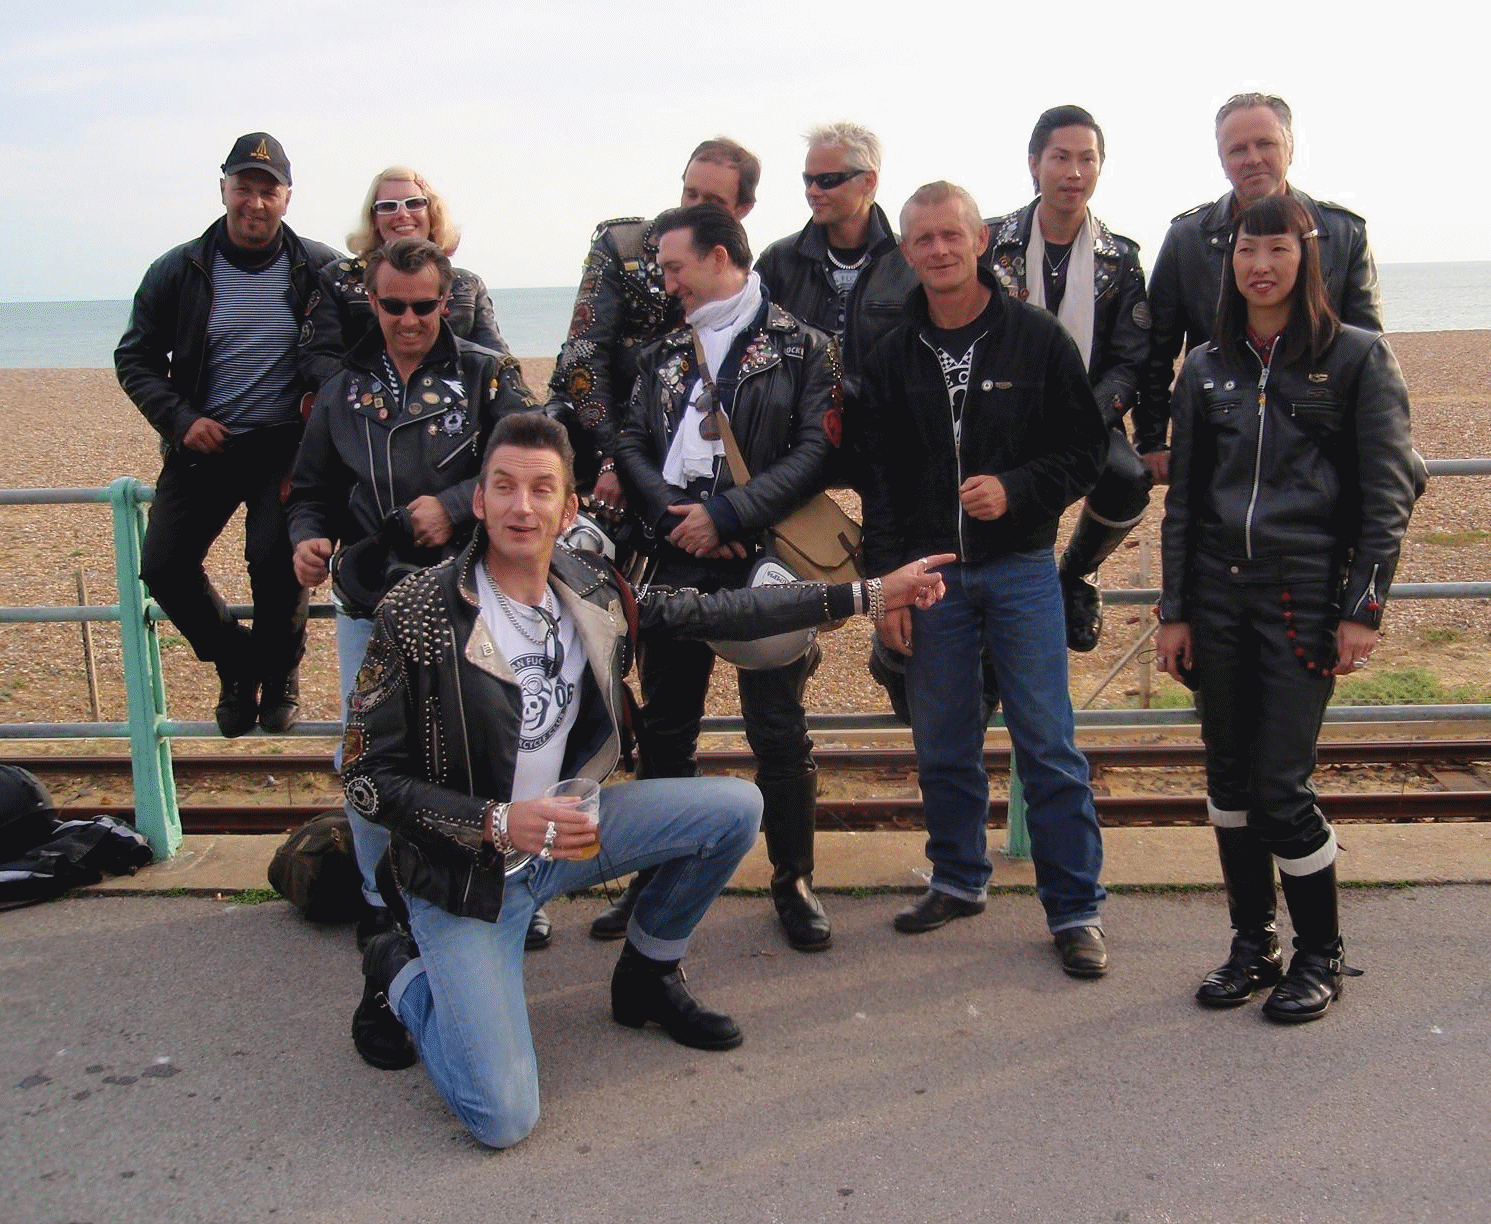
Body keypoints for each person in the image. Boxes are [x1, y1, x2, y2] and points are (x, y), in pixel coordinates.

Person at [343, 411, 949, 1147]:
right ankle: (399, 972)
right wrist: (498, 821)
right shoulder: (418, 611)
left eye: (541, 489)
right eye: (503, 487)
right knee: (501, 1117)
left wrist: (868, 594)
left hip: (565, 840)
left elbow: (722, 609)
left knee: (734, 808)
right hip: (464, 876)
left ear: (569, 508)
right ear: (479, 500)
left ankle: (648, 974)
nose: (521, 507)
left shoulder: (592, 589)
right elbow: (365, 779)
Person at [1155, 195, 1416, 1022]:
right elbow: (1184, 501)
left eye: (1276, 250)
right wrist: (1174, 610)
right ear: (1228, 261)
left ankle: (1320, 954)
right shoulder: (1205, 367)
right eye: (1245, 250)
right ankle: (1252, 944)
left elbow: (1389, 493)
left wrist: (1363, 608)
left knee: (1279, 785)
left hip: (1303, 595)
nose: (1259, 266)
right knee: (1228, 780)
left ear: (1307, 259)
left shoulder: (1358, 358)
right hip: (1215, 594)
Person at [854, 182, 1112, 976]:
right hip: (930, 575)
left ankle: (1075, 909)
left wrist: (1017, 489)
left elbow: (1086, 451)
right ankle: (959, 878)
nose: (938, 249)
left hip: (1021, 566)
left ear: (979, 243)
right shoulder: (892, 354)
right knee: (941, 740)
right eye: (923, 238)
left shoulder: (1036, 339)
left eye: (950, 234)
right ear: (907, 252)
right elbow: (879, 482)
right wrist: (887, 588)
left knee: (1048, 743)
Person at [287, 236, 550, 986]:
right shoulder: (342, 389)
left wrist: (458, 503)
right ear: (372, 302)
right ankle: (383, 899)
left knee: (500, 746)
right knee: (369, 754)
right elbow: (310, 488)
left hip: (475, 593)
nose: (409, 320)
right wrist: (308, 538)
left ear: (446, 300)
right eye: (394, 306)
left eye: (425, 305)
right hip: (372, 601)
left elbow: (542, 457)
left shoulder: (488, 375)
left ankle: (519, 889)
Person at [610, 204, 841, 953]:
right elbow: (631, 444)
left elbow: (816, 454)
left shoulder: (806, 348)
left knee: (778, 730)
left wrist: (729, 514)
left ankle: (794, 882)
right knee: (666, 729)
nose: (667, 283)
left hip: (764, 556)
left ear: (720, 257)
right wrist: (677, 516)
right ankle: (653, 882)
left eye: (675, 268)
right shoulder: (661, 352)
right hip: (675, 553)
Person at [115, 132, 341, 737]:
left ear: (288, 197)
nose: (255, 203)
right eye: (244, 187)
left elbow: (360, 341)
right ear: (223, 189)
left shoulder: (319, 268)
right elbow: (135, 358)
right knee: (163, 566)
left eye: (269, 190)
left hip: (286, 446)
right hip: (205, 442)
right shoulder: (179, 269)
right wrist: (181, 420)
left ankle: (281, 674)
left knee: (275, 558)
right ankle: (237, 663)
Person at [1138, 92, 1382, 485]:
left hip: (1318, 443)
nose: (1253, 158)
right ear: (1222, 160)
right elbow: (1156, 352)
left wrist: (1374, 445)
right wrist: (1151, 440)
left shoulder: (1342, 233)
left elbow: (1369, 353)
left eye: (1265, 143)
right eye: (1237, 149)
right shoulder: (1187, 239)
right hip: (1220, 440)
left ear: (1290, 147)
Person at [984, 105, 1152, 652]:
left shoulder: (1120, 259)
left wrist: (1084, 416)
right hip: (997, 412)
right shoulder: (990, 242)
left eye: (1087, 159)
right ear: (1034, 163)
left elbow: (1129, 361)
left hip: (1088, 414)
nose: (1074, 172)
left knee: (1128, 478)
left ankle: (1077, 573)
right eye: (1060, 158)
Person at [547, 138, 760, 519]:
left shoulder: (734, 266)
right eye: (690, 193)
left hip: (682, 437)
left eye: (712, 201)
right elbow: (584, 356)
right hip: (599, 429)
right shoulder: (622, 246)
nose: (694, 207)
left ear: (742, 209)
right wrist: (611, 454)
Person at [755, 122, 915, 412]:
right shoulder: (778, 261)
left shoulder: (908, 263)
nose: (812, 191)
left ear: (869, 181)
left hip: (884, 427)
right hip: (797, 425)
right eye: (808, 180)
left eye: (827, 180)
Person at [304, 166, 506, 386]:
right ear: (374, 219)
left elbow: (496, 359)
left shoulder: (467, 285)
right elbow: (317, 359)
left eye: (414, 203)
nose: (402, 214)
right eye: (388, 206)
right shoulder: (338, 279)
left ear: (432, 213)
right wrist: (384, 389)